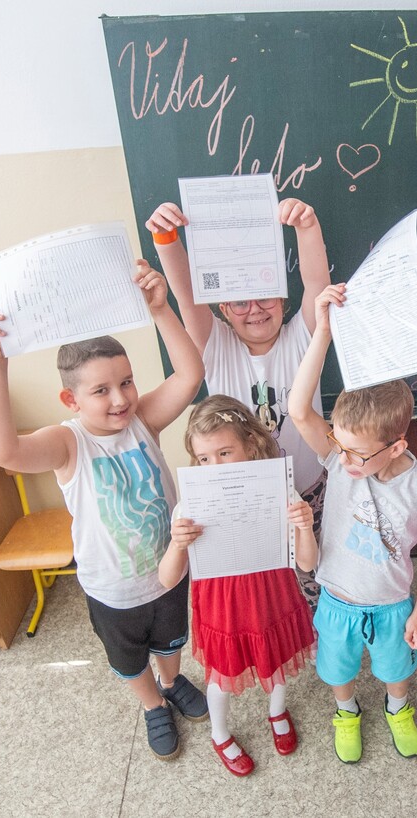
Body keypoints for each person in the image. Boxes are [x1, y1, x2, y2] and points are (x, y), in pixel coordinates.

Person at [0, 261, 208, 761]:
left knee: (170, 640)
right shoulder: (68, 443)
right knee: (129, 658)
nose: (120, 398)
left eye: (126, 382)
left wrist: (161, 310)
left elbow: (191, 374)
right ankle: (152, 705)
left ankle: (172, 682)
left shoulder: (143, 419)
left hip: (169, 572)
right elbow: (1, 450)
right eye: (101, 390)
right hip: (114, 589)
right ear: (71, 397)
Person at [146, 197, 330, 607]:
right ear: (224, 309)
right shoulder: (216, 345)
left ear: (282, 299)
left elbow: (318, 284)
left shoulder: (304, 334)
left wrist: (307, 226)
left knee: (312, 574)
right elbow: (186, 296)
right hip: (238, 497)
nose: (255, 311)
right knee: (262, 590)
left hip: (308, 489)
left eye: (265, 297)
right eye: (240, 303)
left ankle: (313, 630)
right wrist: (165, 239)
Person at [287, 283, 417, 764]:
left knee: (396, 667)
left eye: (358, 452)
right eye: (340, 443)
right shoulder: (339, 458)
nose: (345, 458)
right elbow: (297, 409)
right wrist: (323, 335)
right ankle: (347, 712)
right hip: (338, 598)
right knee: (338, 669)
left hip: (394, 603)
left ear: (397, 445)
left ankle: (398, 708)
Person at [157, 396, 318, 777]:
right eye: (204, 459)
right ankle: (219, 733)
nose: (214, 466)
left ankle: (277, 712)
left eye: (225, 452)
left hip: (272, 594)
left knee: (276, 659)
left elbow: (309, 563)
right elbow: (166, 579)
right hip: (222, 604)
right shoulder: (190, 506)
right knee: (222, 677)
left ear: (251, 445)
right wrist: (178, 543)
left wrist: (305, 525)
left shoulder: (280, 490)